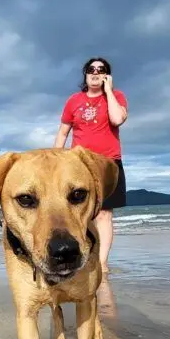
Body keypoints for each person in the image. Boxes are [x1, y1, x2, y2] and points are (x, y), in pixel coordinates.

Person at [54, 56, 128, 274]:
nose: (96, 73)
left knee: (104, 214)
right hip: (79, 165)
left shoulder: (117, 97)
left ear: (107, 75)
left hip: (108, 164)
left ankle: (102, 263)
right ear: (85, 74)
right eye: (91, 70)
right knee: (80, 212)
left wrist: (110, 91)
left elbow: (117, 119)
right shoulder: (73, 101)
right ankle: (83, 255)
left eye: (101, 70)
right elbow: (63, 132)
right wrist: (56, 162)